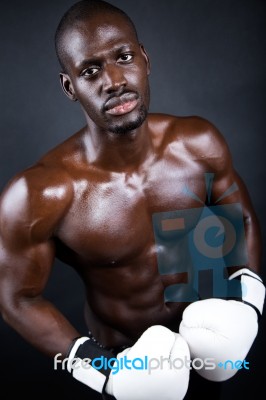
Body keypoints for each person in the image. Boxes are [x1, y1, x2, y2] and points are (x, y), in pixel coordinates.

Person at [0, 1, 264, 399]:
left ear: (145, 59)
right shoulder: (43, 192)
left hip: (211, 345)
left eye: (123, 57)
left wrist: (247, 305)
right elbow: (16, 297)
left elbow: (239, 219)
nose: (113, 80)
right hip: (126, 363)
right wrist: (103, 373)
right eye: (90, 70)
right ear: (70, 87)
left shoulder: (196, 146)